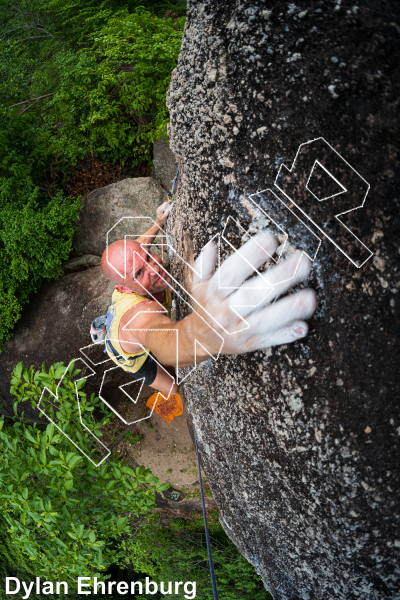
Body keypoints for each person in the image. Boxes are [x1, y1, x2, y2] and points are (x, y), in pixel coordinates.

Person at [99, 201, 317, 422]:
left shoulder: (131, 263)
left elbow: (138, 247)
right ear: (124, 288)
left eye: (147, 256)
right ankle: (161, 405)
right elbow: (163, 343)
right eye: (139, 273)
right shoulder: (137, 316)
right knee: (173, 387)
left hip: (125, 312)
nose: (155, 268)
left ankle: (105, 322)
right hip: (130, 357)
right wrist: (201, 334)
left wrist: (159, 221)